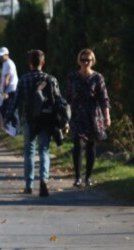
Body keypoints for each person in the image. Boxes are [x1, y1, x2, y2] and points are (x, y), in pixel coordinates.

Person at [5, 49, 67, 197]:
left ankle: (28, 184)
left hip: (29, 119)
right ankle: (44, 179)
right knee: (44, 150)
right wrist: (64, 119)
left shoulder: (24, 79)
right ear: (43, 63)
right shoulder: (51, 79)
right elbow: (58, 100)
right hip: (46, 120)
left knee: (29, 152)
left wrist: (8, 117)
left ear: (29, 63)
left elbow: (15, 101)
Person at [66, 48, 111, 188]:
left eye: (88, 60)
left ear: (93, 61)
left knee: (91, 146)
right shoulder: (72, 77)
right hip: (77, 114)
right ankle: (78, 177)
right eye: (83, 60)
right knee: (78, 144)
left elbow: (104, 99)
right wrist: (66, 118)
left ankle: (88, 177)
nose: (86, 62)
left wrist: (107, 116)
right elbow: (67, 98)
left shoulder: (98, 78)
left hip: (93, 115)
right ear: (79, 61)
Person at [0, 47, 18, 121]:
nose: (0, 58)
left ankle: (14, 129)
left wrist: (4, 92)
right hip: (10, 90)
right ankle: (10, 129)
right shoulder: (6, 63)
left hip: (11, 90)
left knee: (10, 111)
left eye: (2, 56)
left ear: (6, 54)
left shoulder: (8, 64)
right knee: (8, 110)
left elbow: (7, 79)